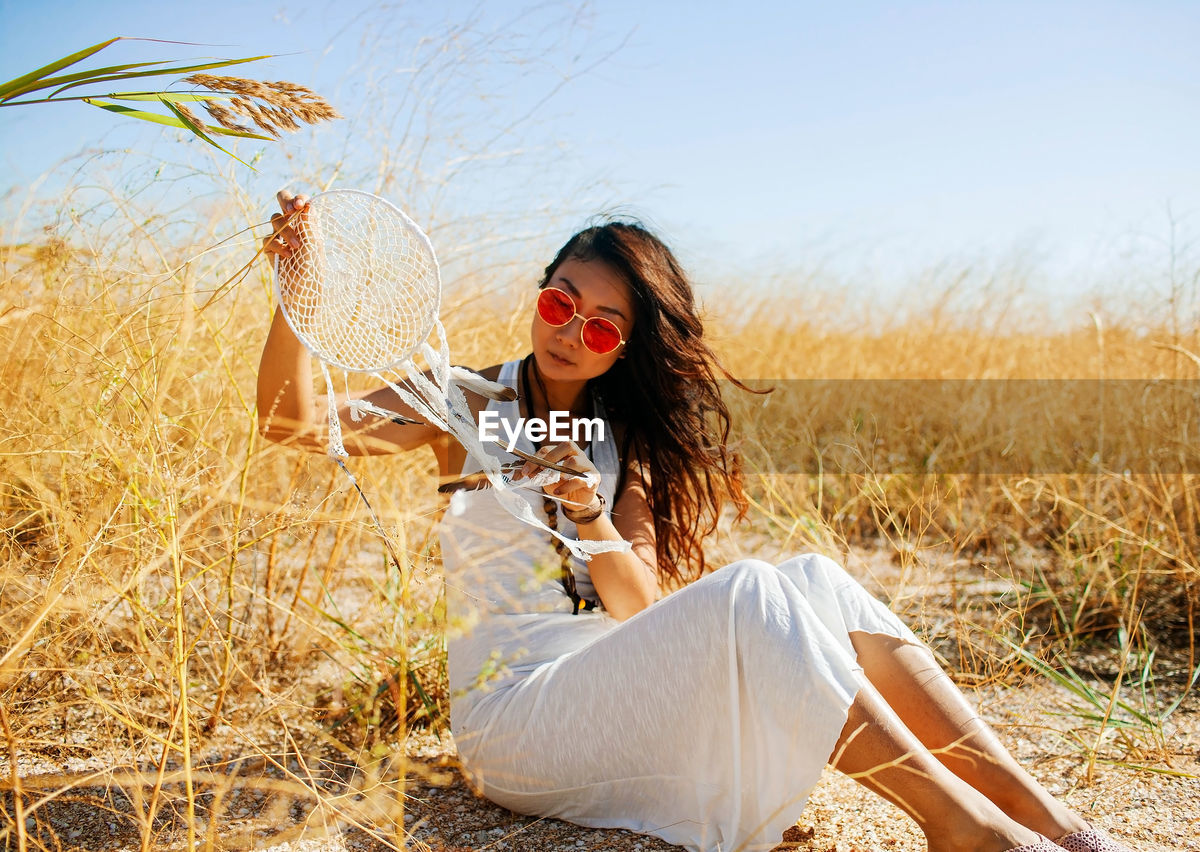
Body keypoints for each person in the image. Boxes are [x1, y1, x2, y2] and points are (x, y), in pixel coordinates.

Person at [257, 191, 1133, 852]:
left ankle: (1044, 815)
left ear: (626, 348)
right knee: (755, 587)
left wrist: (589, 512)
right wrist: (296, 290)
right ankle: (959, 827)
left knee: (813, 577)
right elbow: (290, 425)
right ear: (540, 296)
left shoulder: (622, 440)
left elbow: (638, 606)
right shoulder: (462, 402)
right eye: (561, 303)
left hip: (617, 691)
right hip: (516, 724)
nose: (572, 333)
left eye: (602, 326)